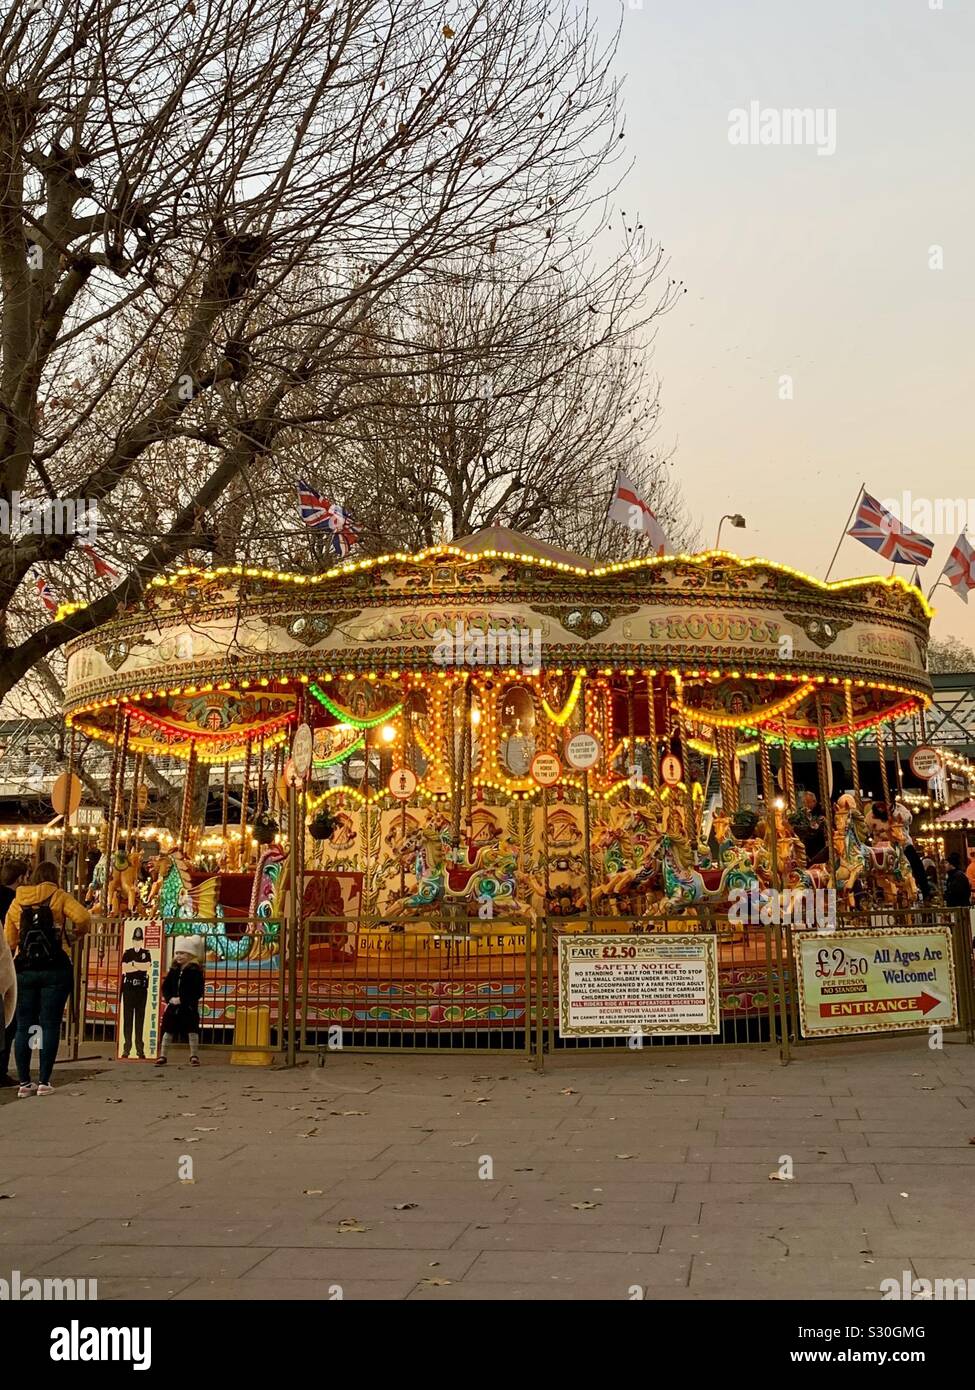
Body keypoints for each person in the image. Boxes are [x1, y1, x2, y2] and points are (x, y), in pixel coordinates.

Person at [4, 862, 92, 1097]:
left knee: (25, 1025)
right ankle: (44, 1081)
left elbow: (9, 941)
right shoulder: (59, 896)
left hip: (25, 969)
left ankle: (24, 1082)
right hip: (56, 966)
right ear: (55, 877)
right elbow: (83, 917)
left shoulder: (18, 901)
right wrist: (74, 935)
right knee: (50, 1023)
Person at [0, 860, 29, 1086]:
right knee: (8, 1020)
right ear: (20, 878)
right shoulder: (16, 902)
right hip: (7, 963)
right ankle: (1, 1068)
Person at [156, 936, 205, 1067]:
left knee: (192, 1030)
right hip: (173, 1005)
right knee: (167, 1029)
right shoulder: (174, 970)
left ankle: (193, 1055)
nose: (179, 956)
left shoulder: (195, 971)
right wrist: (170, 998)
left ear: (190, 955)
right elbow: (165, 987)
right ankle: (163, 1055)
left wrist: (184, 999)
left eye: (182, 953)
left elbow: (198, 990)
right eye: (177, 953)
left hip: (188, 1006)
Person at [120, 925, 152, 1059]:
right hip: (129, 988)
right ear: (133, 941)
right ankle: (127, 1048)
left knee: (140, 1019)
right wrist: (136, 966)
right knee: (128, 1019)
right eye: (135, 940)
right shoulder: (127, 953)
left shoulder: (146, 953)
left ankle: (140, 1049)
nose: (137, 942)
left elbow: (147, 967)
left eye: (139, 940)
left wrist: (134, 964)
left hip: (141, 989)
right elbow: (125, 968)